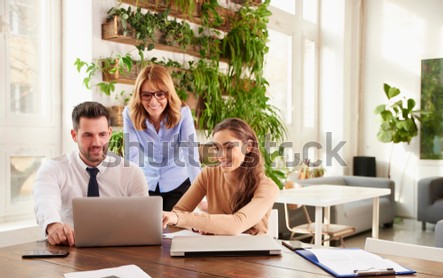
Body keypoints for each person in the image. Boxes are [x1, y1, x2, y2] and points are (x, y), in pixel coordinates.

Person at [33, 102, 148, 246]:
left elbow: (143, 221)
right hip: (69, 248)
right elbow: (45, 202)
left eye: (102, 134)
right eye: (88, 135)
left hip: (119, 249)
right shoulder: (53, 169)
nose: (97, 142)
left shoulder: (132, 172)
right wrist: (53, 225)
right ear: (74, 135)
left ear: (110, 133)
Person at [163, 118, 279, 235]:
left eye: (229, 147)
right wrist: (196, 227)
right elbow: (177, 213)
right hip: (216, 248)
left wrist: (194, 221)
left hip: (253, 251)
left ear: (248, 147)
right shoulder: (209, 174)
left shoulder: (267, 187)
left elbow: (236, 225)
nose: (221, 155)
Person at [123, 64, 201, 211]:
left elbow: (191, 157)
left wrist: (201, 195)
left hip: (178, 182)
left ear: (168, 93)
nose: (153, 102)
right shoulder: (130, 113)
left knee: (176, 230)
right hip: (147, 182)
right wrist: (127, 192)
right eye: (147, 94)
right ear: (139, 95)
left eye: (160, 94)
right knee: (146, 229)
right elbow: (132, 156)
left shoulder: (183, 113)